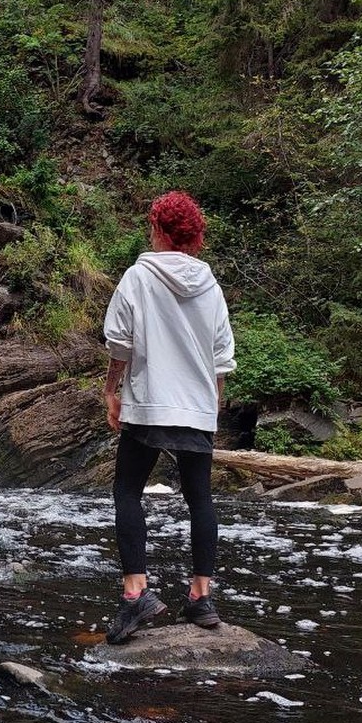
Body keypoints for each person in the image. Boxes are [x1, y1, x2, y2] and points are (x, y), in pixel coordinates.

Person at [101, 190, 235, 642]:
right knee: (200, 499)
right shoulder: (211, 287)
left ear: (158, 229)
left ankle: (135, 593)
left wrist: (111, 391)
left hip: (150, 403)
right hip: (197, 406)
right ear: (194, 236)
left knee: (127, 491)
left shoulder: (138, 277)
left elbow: (120, 343)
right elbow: (221, 357)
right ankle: (201, 597)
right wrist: (212, 406)